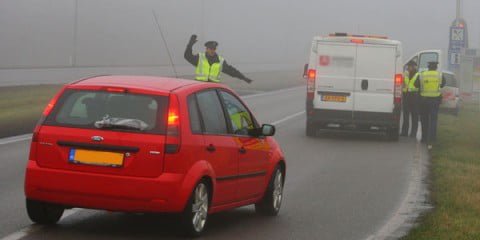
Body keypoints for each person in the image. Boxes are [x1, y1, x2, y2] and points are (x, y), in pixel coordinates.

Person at [184, 34, 253, 84]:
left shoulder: (220, 61)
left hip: (213, 88)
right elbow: (187, 56)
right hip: (200, 86)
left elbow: (231, 71)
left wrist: (243, 77)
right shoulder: (200, 57)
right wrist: (190, 45)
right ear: (206, 49)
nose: (212, 50)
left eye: (214, 49)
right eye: (210, 48)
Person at [419, 61, 446, 150]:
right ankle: (432, 138)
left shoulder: (423, 75)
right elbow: (442, 85)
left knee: (424, 120)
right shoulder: (439, 75)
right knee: (433, 120)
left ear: (428, 67)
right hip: (434, 100)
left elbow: (416, 84)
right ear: (436, 67)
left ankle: (424, 138)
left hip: (423, 100)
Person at [401, 61, 420, 137]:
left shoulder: (418, 75)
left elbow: (419, 86)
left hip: (415, 97)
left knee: (414, 116)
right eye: (408, 66)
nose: (408, 68)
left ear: (414, 67)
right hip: (406, 96)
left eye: (410, 66)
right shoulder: (405, 74)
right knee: (405, 116)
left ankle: (413, 133)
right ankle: (404, 132)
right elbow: (402, 83)